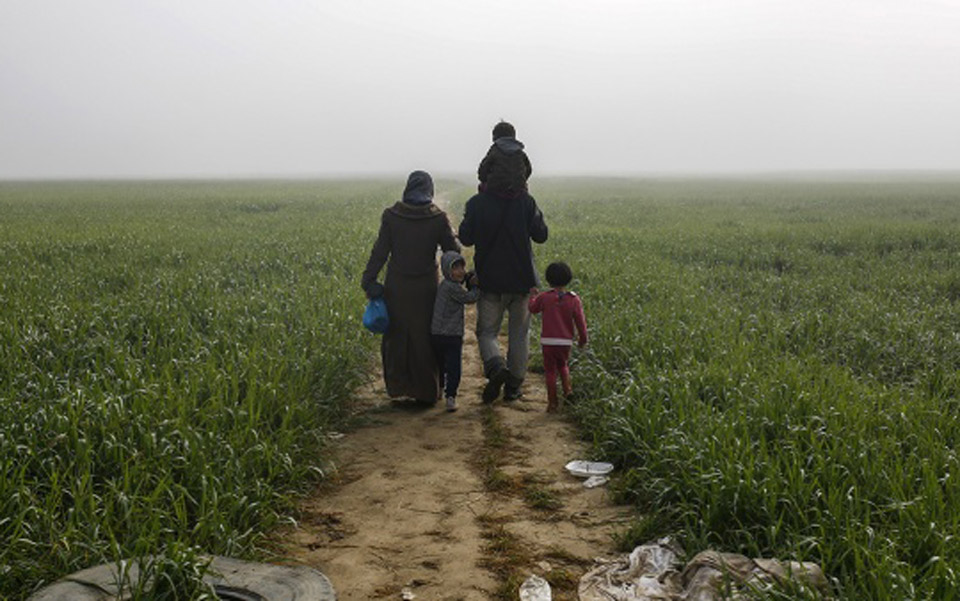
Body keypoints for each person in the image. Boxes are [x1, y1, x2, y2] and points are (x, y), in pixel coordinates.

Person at [361, 171, 460, 404]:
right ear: (429, 190)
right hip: (426, 287)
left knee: (397, 336)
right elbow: (452, 251)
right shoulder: (438, 218)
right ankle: (427, 391)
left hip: (397, 286)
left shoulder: (392, 216)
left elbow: (380, 252)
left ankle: (399, 387)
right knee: (424, 337)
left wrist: (368, 280)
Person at [459, 148, 548, 403]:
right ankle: (513, 388)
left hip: (490, 281)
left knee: (487, 332)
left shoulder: (477, 203)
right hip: (522, 281)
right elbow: (541, 235)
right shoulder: (526, 202)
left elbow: (465, 237)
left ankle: (496, 368)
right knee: (519, 334)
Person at [528, 262, 588, 412]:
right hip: (565, 341)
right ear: (568, 279)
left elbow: (533, 309)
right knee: (563, 365)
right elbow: (581, 323)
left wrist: (532, 297)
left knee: (550, 371)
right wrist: (583, 339)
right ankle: (568, 390)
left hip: (548, 341)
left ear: (548, 280)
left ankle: (552, 402)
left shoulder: (545, 297)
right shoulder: (574, 299)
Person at [431, 250, 481, 412]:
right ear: (446, 270)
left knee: (440, 364)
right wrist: (475, 286)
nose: (460, 271)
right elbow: (470, 298)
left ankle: (439, 390)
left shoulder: (443, 285)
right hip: (451, 335)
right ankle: (450, 396)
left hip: (437, 334)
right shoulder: (452, 287)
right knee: (454, 367)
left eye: (462, 268)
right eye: (455, 268)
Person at [477, 121, 533, 198]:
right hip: (517, 192)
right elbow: (529, 170)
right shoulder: (520, 152)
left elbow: (482, 172)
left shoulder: (494, 150)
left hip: (494, 191)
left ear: (494, 137)